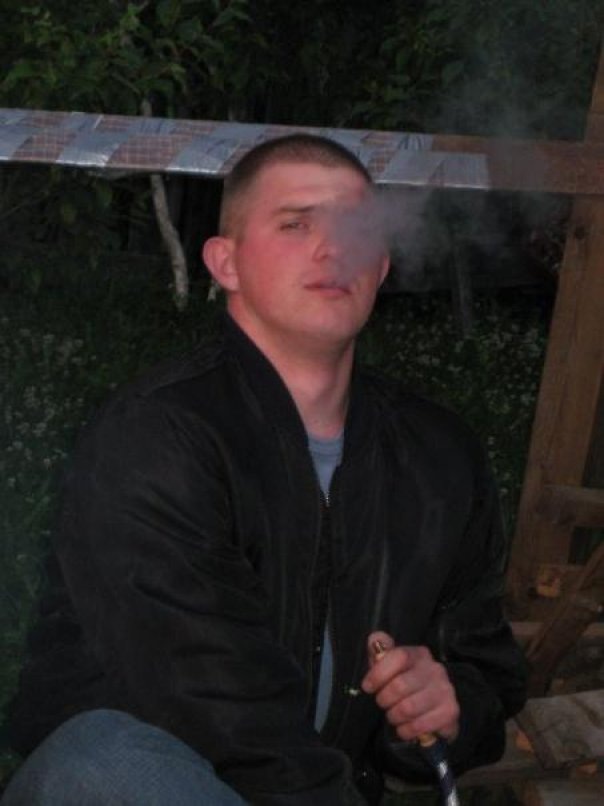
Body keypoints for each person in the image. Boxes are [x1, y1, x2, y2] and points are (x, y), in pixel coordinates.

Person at [3, 134, 526, 806]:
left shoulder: (439, 456)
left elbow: (488, 667)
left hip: (317, 789)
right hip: (140, 786)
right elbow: (216, 702)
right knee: (102, 757)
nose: (332, 249)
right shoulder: (156, 436)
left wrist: (447, 707)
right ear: (226, 263)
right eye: (295, 224)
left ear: (381, 266)